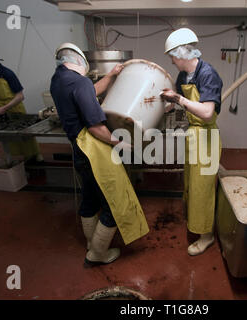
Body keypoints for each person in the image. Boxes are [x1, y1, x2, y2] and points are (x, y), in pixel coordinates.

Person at [50, 43, 149, 265]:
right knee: (115, 203)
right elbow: (95, 127)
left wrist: (112, 76)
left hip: (77, 147)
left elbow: (90, 92)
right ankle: (98, 253)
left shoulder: (58, 80)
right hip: (92, 149)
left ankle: (91, 243)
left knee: (90, 198)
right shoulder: (80, 81)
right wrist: (119, 142)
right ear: (79, 61)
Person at [161, 28, 223, 256]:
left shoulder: (208, 74)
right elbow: (178, 102)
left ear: (181, 54)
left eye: (172, 56)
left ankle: (207, 235)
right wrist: (162, 102)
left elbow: (207, 112)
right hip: (193, 135)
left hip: (206, 136)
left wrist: (177, 98)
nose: (172, 61)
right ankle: (195, 222)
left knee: (203, 188)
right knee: (190, 182)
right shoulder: (183, 77)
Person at [0, 51, 43, 163]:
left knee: (24, 134)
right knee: (8, 135)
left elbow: (20, 96)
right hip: (0, 106)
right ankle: (16, 159)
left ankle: (34, 156)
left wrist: (5, 108)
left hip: (15, 105)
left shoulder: (8, 74)